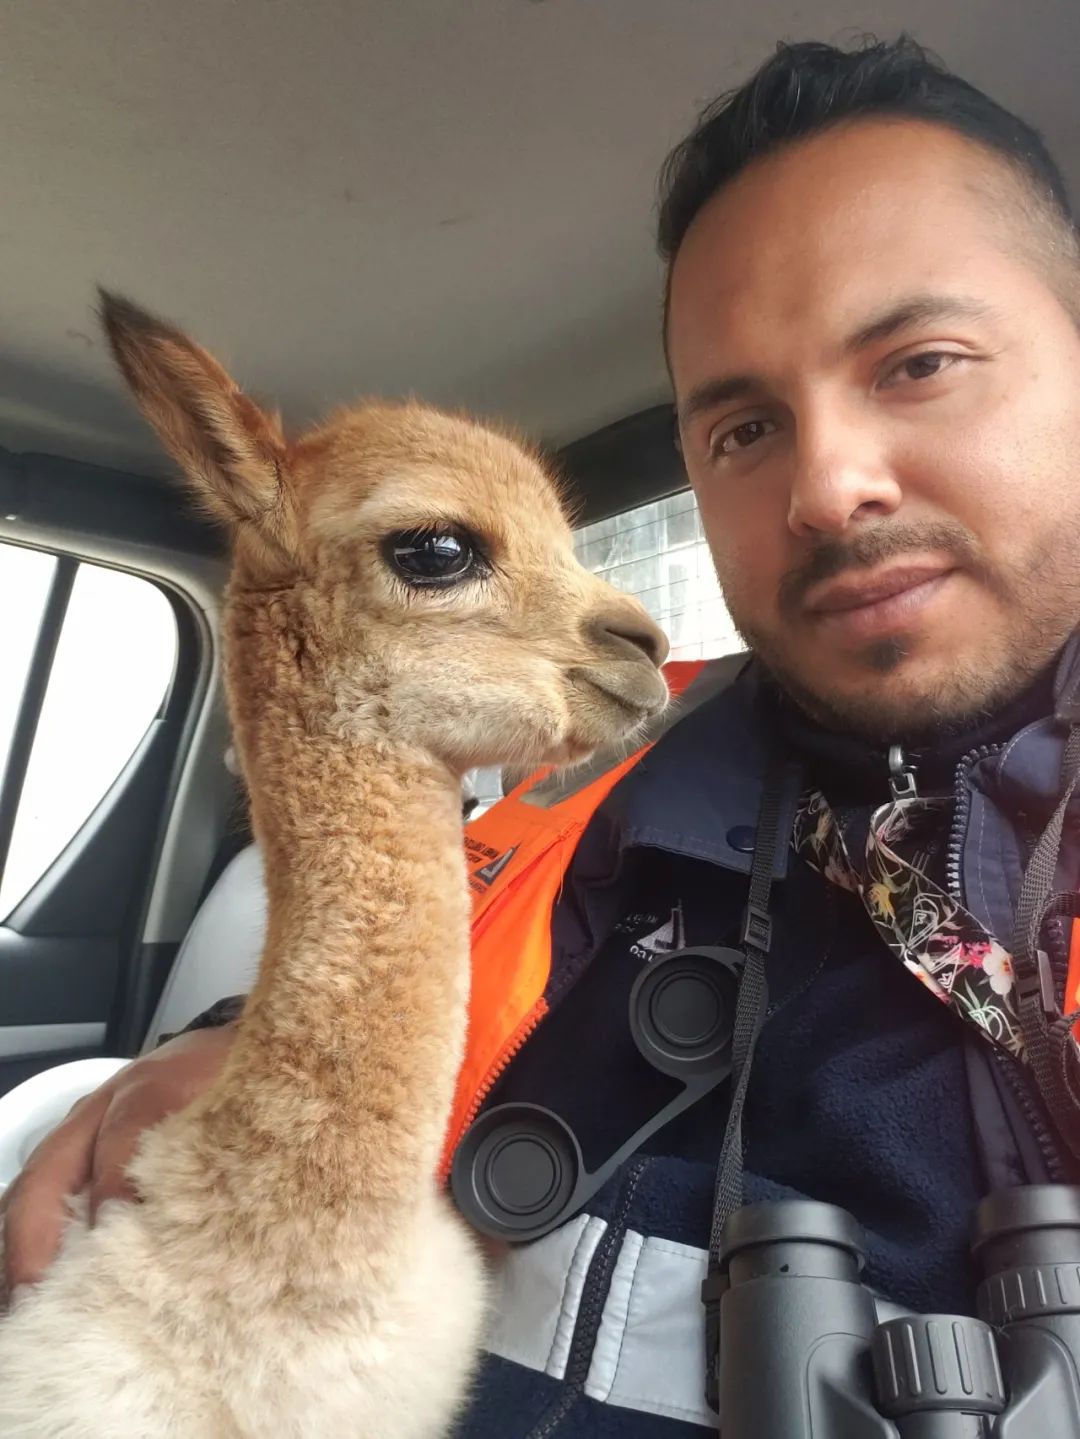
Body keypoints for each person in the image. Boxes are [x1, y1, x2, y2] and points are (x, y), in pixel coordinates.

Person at [6, 33, 1080, 1437]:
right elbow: (410, 962)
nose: (829, 485)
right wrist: (239, 1050)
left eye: (921, 363)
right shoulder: (602, 806)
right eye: (745, 429)